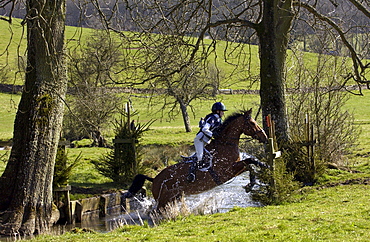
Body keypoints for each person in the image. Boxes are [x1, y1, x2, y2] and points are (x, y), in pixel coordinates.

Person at [187, 102, 227, 182]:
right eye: (222, 111)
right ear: (217, 111)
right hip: (200, 140)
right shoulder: (212, 118)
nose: (223, 113)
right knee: (200, 157)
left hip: (206, 141)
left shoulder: (219, 120)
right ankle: (191, 174)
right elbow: (204, 129)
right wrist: (212, 134)